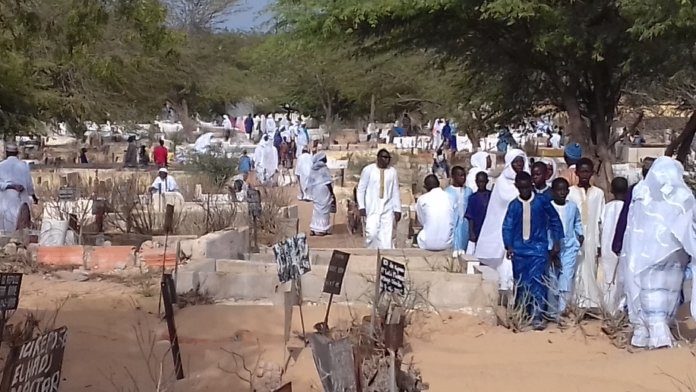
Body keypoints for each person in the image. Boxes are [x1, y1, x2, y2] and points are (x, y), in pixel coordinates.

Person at [622, 157, 696, 348]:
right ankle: (655, 336)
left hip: (649, 256)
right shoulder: (648, 193)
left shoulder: (644, 193)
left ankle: (650, 334)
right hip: (667, 256)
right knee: (660, 294)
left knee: (653, 292)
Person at [502, 172, 563, 329]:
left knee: (537, 282)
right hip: (519, 251)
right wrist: (508, 245)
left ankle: (537, 316)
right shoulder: (514, 205)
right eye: (521, 187)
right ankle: (522, 314)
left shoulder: (542, 202)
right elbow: (507, 226)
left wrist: (556, 241)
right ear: (516, 187)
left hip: (538, 250)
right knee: (521, 284)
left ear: (531, 186)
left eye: (527, 187)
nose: (524, 190)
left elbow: (555, 219)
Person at [475, 149, 529, 295]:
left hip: (521, 229)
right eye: (516, 161)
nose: (519, 164)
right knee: (504, 265)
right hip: (501, 229)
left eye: (521, 161)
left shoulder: (527, 182)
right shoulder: (502, 182)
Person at [568, 158, 605, 309]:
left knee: (590, 268)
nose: (584, 174)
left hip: (592, 236)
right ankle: (575, 302)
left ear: (592, 173)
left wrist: (600, 242)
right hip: (574, 238)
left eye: (587, 171)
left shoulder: (598, 194)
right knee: (575, 269)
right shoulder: (570, 193)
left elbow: (601, 219)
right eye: (582, 171)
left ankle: (590, 303)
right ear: (576, 172)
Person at [546, 178, 584, 320]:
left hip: (569, 247)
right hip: (552, 248)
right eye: (558, 190)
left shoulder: (572, 206)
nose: (562, 193)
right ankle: (552, 311)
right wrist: (551, 250)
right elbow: (546, 228)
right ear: (553, 192)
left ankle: (563, 310)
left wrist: (580, 234)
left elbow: (577, 221)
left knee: (566, 276)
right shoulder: (548, 207)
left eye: (564, 190)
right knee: (552, 278)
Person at [357, 149, 402, 249]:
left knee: (386, 237)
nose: (387, 160)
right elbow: (361, 189)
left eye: (388, 158)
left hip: (387, 209)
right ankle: (371, 257)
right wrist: (361, 206)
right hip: (371, 208)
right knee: (371, 234)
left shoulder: (392, 172)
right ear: (378, 158)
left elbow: (395, 191)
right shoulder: (368, 170)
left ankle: (385, 259)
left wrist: (397, 209)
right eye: (384, 157)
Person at [612, 157, 655, 256]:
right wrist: (618, 243)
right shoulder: (635, 190)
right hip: (637, 239)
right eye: (645, 168)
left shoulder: (664, 192)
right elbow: (625, 215)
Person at [600, 177, 628, 314]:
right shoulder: (629, 208)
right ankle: (620, 308)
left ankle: (608, 310)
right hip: (623, 247)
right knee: (621, 279)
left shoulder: (607, 207)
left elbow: (601, 225)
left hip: (607, 247)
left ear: (611, 190)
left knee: (608, 278)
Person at [0, 143, 36, 233]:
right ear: (17, 153)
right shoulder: (23, 165)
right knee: (20, 221)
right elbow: (29, 185)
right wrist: (34, 196)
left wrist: (8, 186)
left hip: (5, 196)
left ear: (6, 153)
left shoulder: (1, 165)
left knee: (5, 221)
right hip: (21, 196)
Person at [416, 175, 454, 251]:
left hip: (427, 244)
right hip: (447, 243)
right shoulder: (450, 197)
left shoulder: (422, 199)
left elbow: (422, 221)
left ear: (425, 187)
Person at [307, 152, 335, 236]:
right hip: (323, 189)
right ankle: (322, 229)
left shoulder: (313, 168)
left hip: (315, 190)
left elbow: (310, 182)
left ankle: (314, 228)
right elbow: (328, 182)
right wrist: (331, 192)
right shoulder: (324, 168)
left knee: (317, 208)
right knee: (324, 208)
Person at [445, 166, 473, 256]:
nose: (463, 178)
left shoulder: (469, 191)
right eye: (460, 176)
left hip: (465, 226)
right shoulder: (447, 192)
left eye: (464, 175)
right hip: (452, 225)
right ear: (453, 176)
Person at [466, 172, 492, 255]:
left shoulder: (491, 196)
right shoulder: (472, 198)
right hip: (477, 229)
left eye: (483, 182)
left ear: (487, 182)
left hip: (488, 230)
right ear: (476, 182)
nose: (481, 184)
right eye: (479, 182)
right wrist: (471, 233)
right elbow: (470, 217)